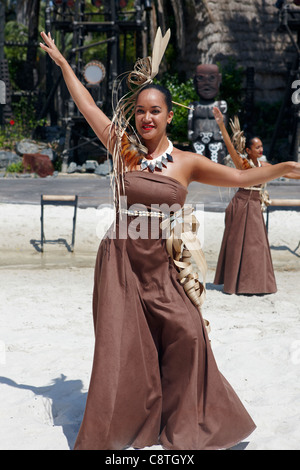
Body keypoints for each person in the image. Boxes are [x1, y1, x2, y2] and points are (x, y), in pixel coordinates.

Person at [40, 30, 300, 450]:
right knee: (123, 348)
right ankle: (125, 427)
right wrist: (66, 65)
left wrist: (281, 167)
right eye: (141, 111)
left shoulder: (186, 163)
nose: (146, 118)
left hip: (161, 263)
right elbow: (87, 105)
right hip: (122, 258)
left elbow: (239, 177)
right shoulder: (123, 150)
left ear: (168, 116)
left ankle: (184, 421)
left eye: (155, 111)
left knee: (189, 332)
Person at [212, 107, 300, 295]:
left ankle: (257, 284)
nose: (261, 150)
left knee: (257, 245)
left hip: (254, 207)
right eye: (257, 147)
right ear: (248, 150)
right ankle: (235, 285)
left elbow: (289, 172)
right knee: (237, 245)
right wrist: (221, 124)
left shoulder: (264, 165)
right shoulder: (242, 164)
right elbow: (229, 145)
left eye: (261, 147)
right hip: (240, 205)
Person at [188, 64, 227, 163]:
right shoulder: (193, 105)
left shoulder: (221, 105)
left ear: (219, 79)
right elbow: (190, 120)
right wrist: (190, 133)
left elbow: (224, 122)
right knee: (199, 162)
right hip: (198, 138)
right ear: (194, 80)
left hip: (216, 138)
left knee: (216, 162)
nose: (206, 83)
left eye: (212, 78)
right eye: (200, 78)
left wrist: (222, 135)